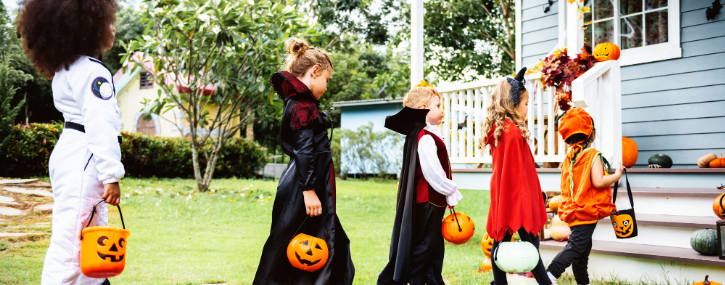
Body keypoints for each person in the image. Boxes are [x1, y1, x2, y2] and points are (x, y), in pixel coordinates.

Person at [17, 0, 123, 284]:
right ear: (87, 28)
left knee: (86, 233)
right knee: (73, 242)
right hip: (85, 156)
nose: (113, 28)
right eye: (107, 22)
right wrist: (111, 175)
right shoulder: (93, 71)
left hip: (70, 150)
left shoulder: (66, 70)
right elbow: (101, 125)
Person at [253, 39, 354, 285]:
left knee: (329, 242)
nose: (327, 88)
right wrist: (309, 190)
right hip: (304, 187)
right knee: (288, 244)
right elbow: (304, 149)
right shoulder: (302, 105)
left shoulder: (302, 103)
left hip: (306, 183)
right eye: (327, 81)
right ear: (314, 71)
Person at [378, 87, 463, 285]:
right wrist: (451, 191)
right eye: (438, 106)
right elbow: (433, 173)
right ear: (424, 108)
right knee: (425, 246)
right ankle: (394, 279)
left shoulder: (423, 135)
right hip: (429, 201)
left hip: (431, 201)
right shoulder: (424, 138)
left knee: (433, 247)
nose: (442, 110)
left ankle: (431, 280)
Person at [480, 67, 551, 285]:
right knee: (530, 245)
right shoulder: (511, 132)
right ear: (513, 104)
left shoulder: (503, 129)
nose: (528, 108)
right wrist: (526, 200)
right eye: (527, 103)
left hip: (507, 198)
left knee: (500, 243)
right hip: (517, 199)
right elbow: (514, 173)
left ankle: (499, 283)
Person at [546, 108, 622, 285]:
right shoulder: (592, 155)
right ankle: (548, 276)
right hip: (585, 212)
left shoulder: (571, 156)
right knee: (575, 248)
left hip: (574, 210)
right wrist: (617, 176)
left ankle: (583, 282)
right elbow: (598, 181)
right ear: (592, 134)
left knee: (582, 252)